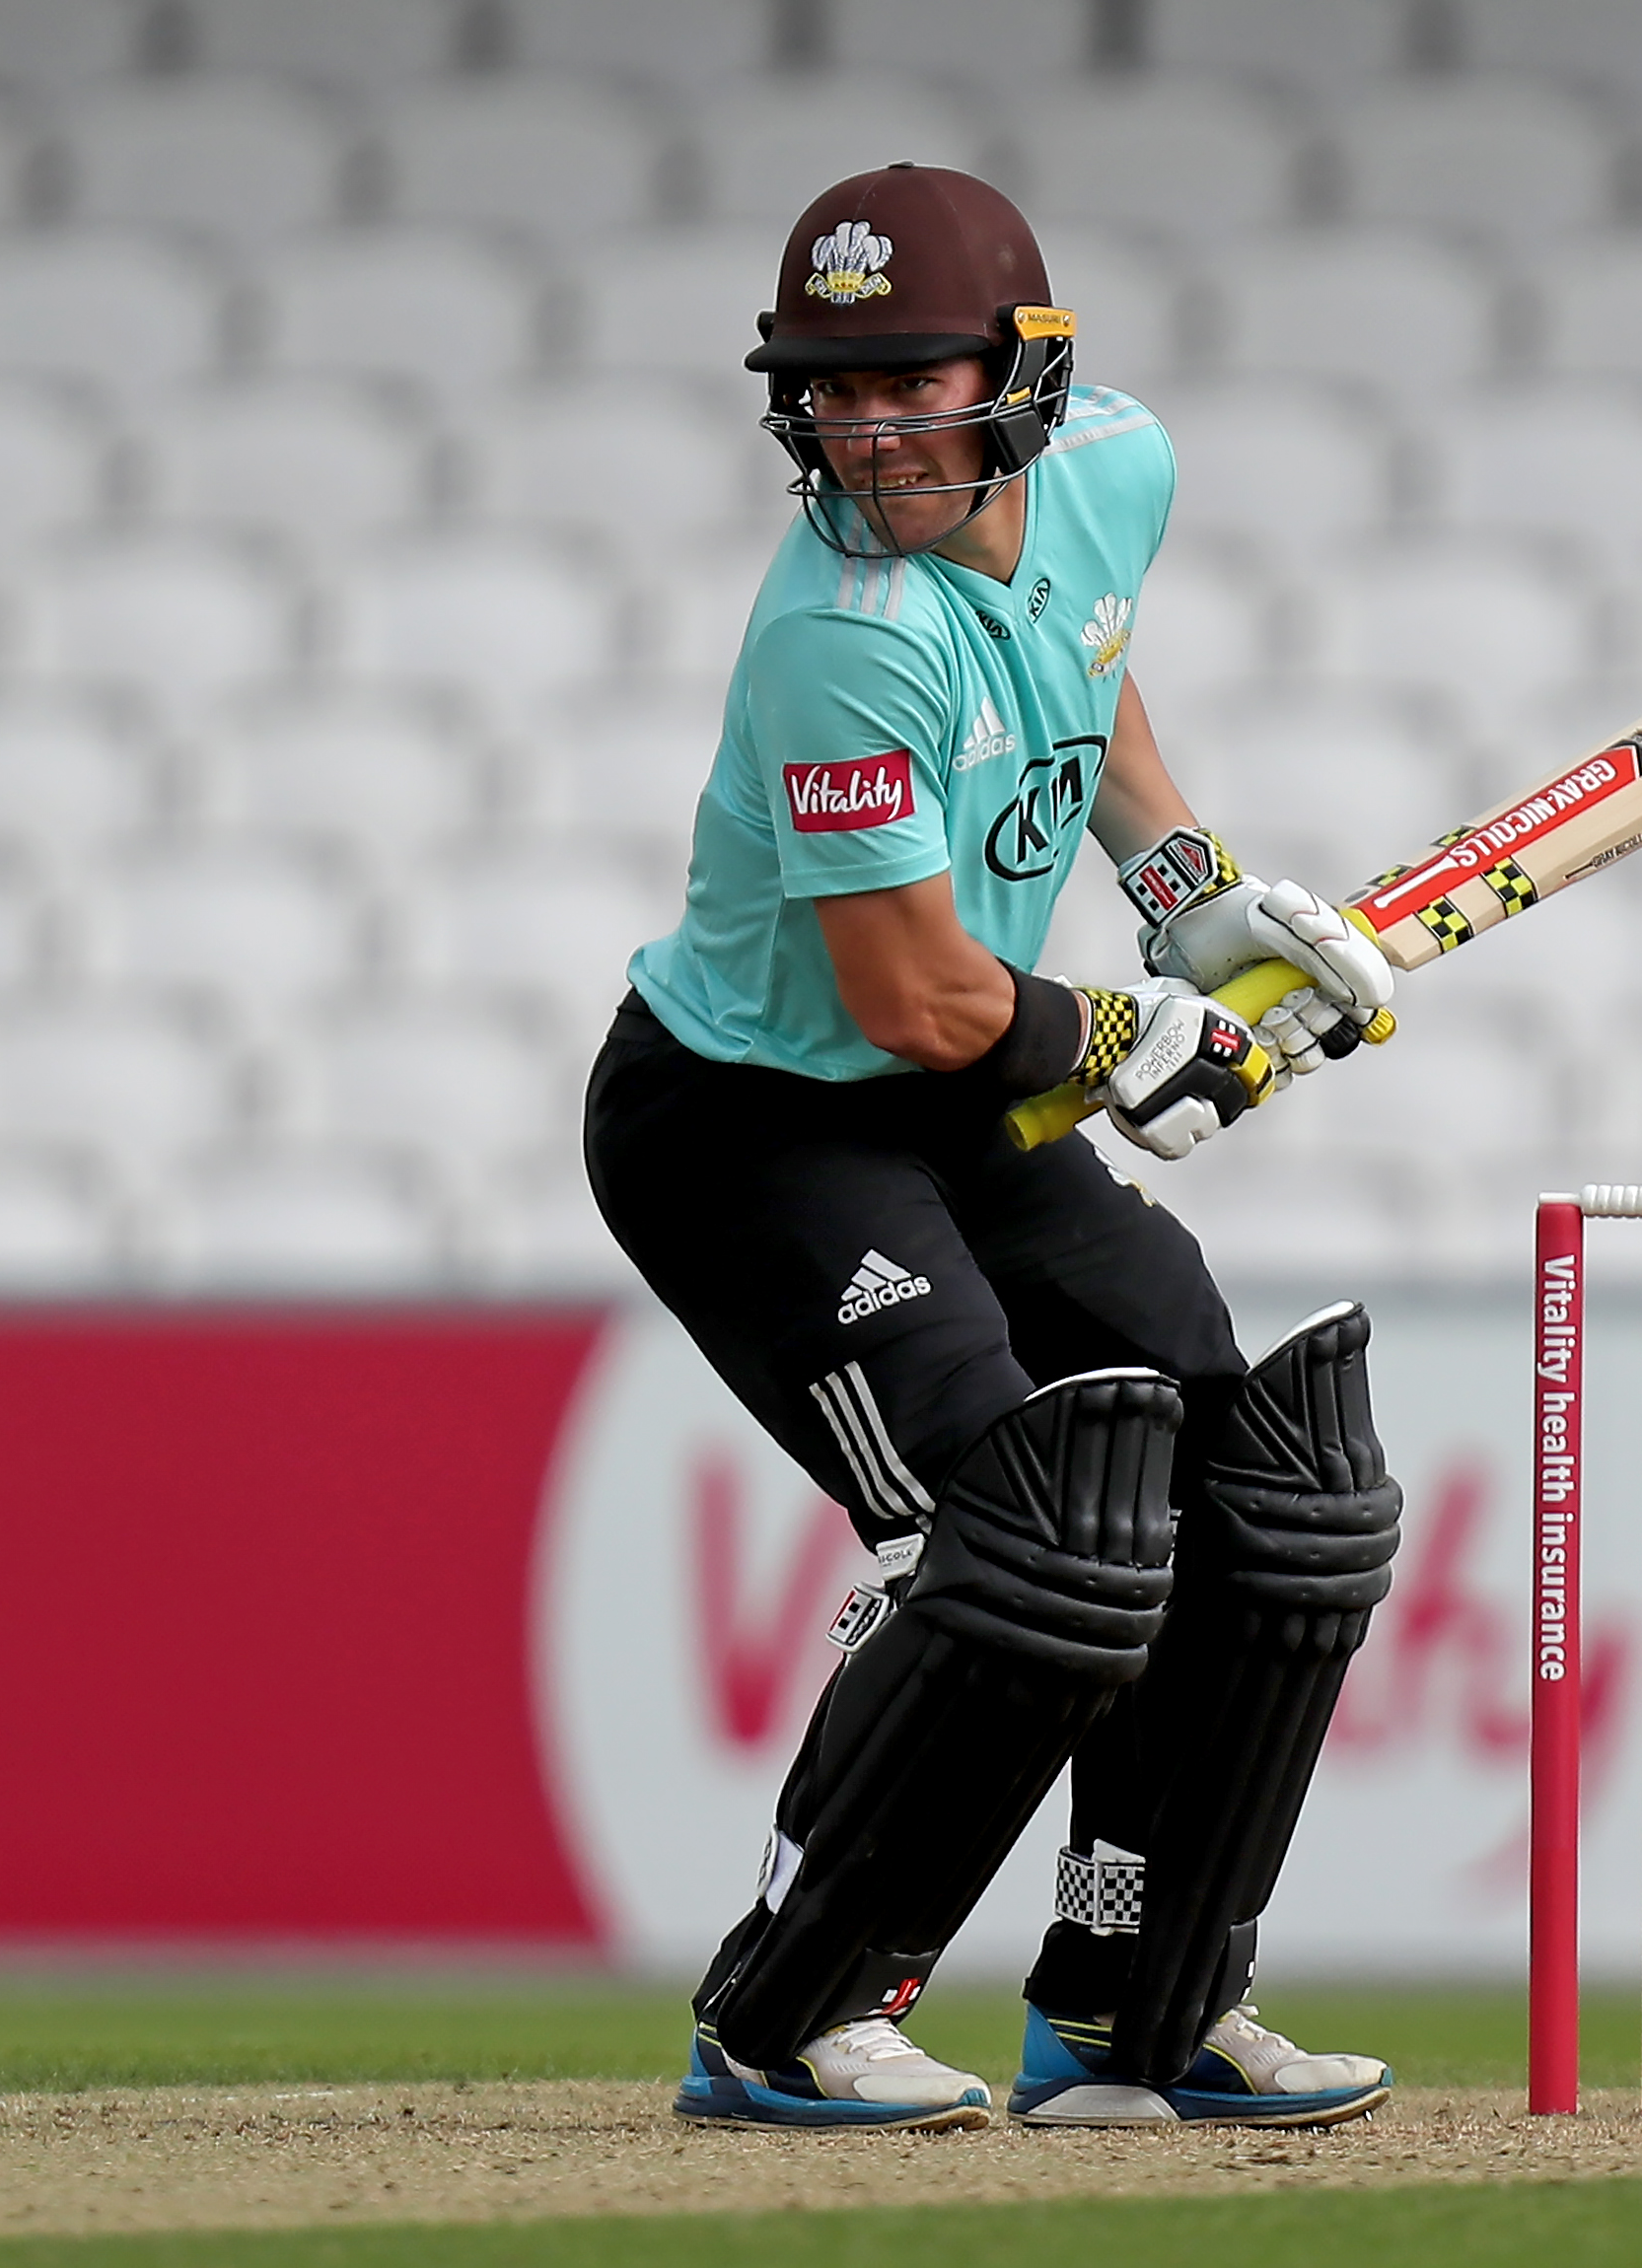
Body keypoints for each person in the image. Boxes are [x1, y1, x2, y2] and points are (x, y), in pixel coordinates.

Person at [585, 165, 1409, 2132]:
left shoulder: (1117, 466)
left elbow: (1083, 659)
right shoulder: (839, 636)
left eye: (912, 383)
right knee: (1021, 1527)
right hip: (759, 1124)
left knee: (1260, 1490)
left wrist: (1187, 884)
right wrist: (1136, 1037)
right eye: (832, 392)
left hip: (956, 1104)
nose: (869, 433)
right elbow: (913, 999)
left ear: (1028, 375)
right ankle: (789, 2012)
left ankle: (1135, 2007)